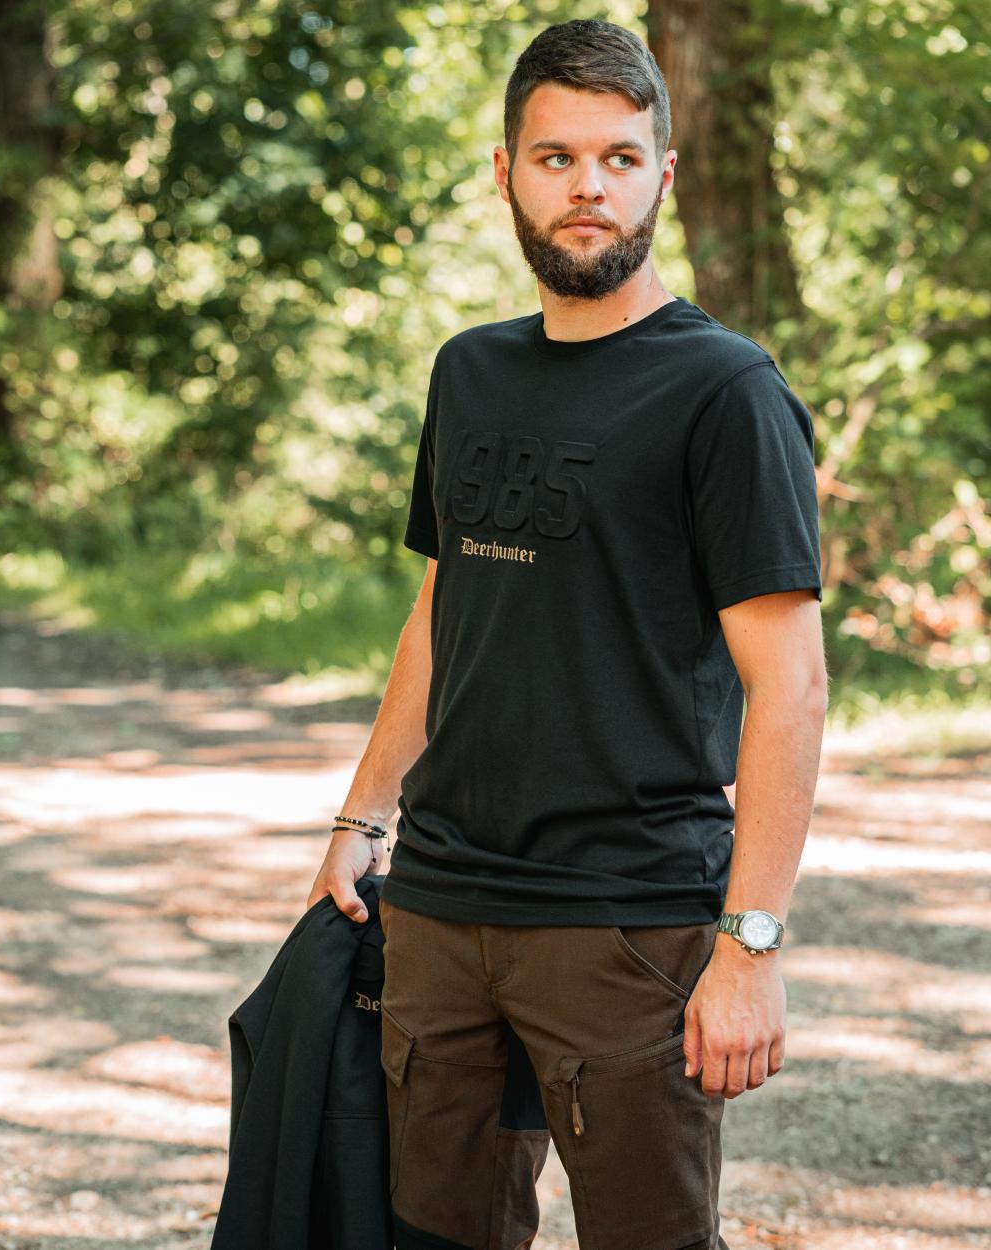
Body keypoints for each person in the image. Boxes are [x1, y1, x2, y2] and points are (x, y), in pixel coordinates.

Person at [307, 17, 828, 1250]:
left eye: (616, 156)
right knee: (433, 1236)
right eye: (554, 157)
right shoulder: (468, 371)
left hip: (628, 921)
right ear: (504, 173)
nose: (587, 185)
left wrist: (748, 942)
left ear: (662, 174)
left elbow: (790, 685)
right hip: (438, 906)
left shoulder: (725, 390)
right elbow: (442, 614)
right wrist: (359, 818)